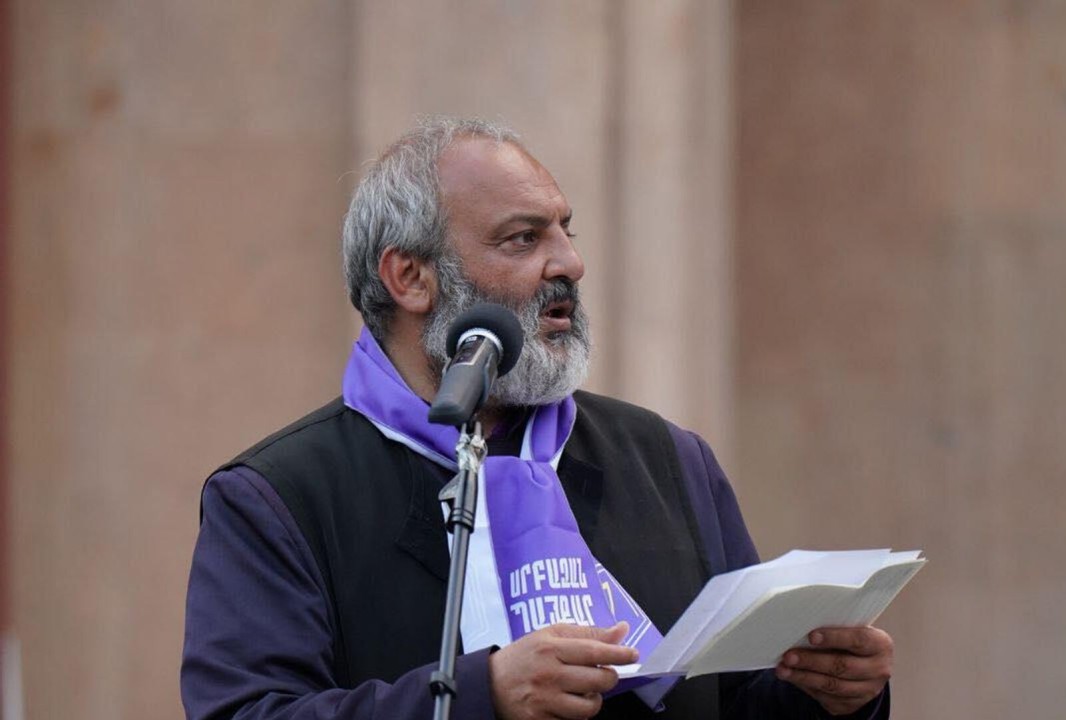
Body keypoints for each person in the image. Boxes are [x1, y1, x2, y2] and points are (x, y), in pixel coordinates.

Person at [181, 117, 894, 720]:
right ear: (410, 278)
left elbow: (732, 700)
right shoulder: (277, 497)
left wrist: (829, 693)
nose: (570, 264)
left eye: (565, 231)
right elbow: (246, 711)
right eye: (523, 239)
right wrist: (482, 695)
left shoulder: (667, 461)